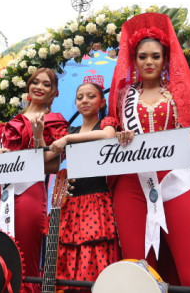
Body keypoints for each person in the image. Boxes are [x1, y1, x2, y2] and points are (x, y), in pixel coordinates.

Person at [108, 12, 190, 288]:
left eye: (155, 56)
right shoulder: (123, 98)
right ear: (134, 60)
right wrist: (116, 131)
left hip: (174, 180)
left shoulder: (179, 94)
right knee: (138, 274)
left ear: (165, 59)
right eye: (142, 56)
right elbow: (110, 125)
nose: (149, 62)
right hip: (131, 184)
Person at [0, 67, 68, 293]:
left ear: (54, 92)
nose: (39, 87)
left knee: (23, 256)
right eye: (35, 82)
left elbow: (52, 161)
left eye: (46, 84)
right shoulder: (9, 124)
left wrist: (34, 140)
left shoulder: (55, 121)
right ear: (28, 86)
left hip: (28, 192)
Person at [47, 81, 121, 291]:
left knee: (95, 253)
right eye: (80, 97)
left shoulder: (106, 122)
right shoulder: (68, 130)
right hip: (71, 202)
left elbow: (108, 135)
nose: (85, 101)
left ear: (102, 101)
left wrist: (68, 139)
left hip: (97, 198)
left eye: (91, 96)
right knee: (66, 255)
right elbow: (46, 157)